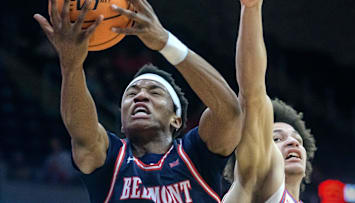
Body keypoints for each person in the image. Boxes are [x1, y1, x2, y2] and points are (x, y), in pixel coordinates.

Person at [34, 0, 242, 202]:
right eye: (131, 94)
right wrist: (71, 67)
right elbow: (81, 133)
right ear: (122, 123)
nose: (140, 96)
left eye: (155, 92)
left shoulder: (195, 154)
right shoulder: (110, 159)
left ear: (176, 120)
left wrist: (166, 42)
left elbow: (230, 113)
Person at [221, 0, 317, 202]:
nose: (292, 142)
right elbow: (252, 95)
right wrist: (251, 8)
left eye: (296, 140)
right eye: (276, 139)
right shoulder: (251, 184)